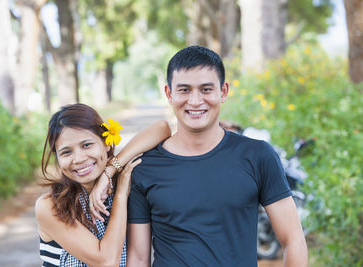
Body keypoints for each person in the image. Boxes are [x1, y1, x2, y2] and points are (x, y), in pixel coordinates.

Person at [125, 46, 308, 266]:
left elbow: (293, 239)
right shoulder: (145, 167)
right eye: (184, 90)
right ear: (169, 94)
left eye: (206, 89)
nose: (195, 101)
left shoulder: (257, 155)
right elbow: (138, 256)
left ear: (223, 92)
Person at [35, 103, 171, 266]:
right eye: (66, 152)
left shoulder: (123, 179)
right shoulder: (50, 206)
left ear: (106, 143)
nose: (78, 159)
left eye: (86, 145)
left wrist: (110, 171)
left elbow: (162, 128)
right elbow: (106, 261)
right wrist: (120, 195)